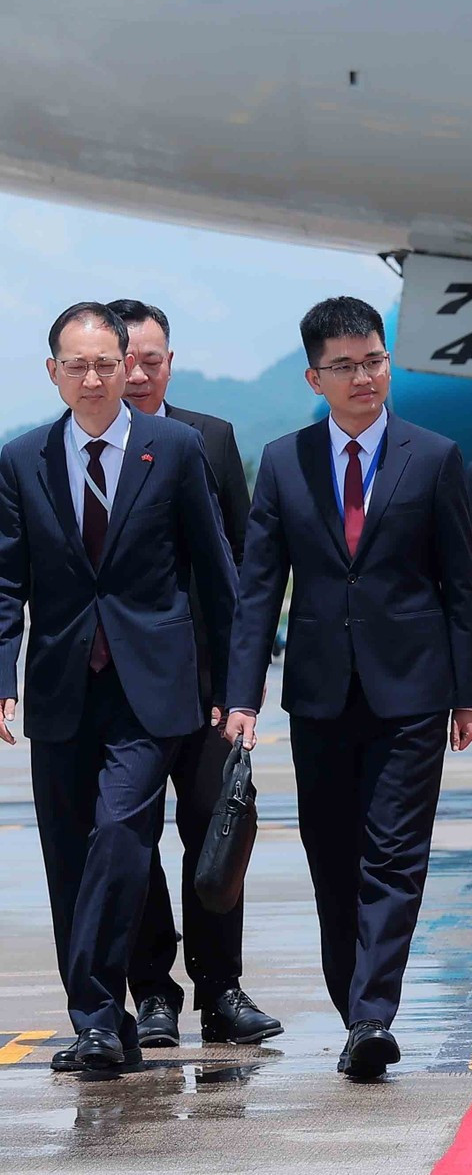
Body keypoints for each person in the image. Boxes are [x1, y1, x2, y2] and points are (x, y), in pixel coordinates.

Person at [224, 296, 472, 1080]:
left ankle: (375, 1012)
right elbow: (260, 587)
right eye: (345, 366)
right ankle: (355, 1009)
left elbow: (462, 585)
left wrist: (468, 691)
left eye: (374, 359)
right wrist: (243, 695)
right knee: (331, 856)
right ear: (316, 376)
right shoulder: (283, 460)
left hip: (413, 690)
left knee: (395, 857)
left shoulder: (433, 456)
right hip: (319, 693)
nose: (365, 376)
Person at [0, 302, 237, 1074]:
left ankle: (99, 1009)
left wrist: (237, 689)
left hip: (151, 686)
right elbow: (6, 583)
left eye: (109, 362)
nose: (97, 377)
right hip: (64, 685)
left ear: (126, 362)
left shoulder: (172, 449)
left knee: (118, 837)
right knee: (69, 854)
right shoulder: (22, 458)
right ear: (54, 373)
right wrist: (1, 675)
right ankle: (105, 1024)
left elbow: (215, 572)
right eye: (80, 365)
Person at [104, 298, 281, 1049]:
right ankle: (152, 992)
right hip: (125, 689)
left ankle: (221, 988)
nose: (139, 374)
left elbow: (242, 569)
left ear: (170, 361)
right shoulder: (92, 446)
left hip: (207, 688)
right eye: (127, 360)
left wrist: (240, 688)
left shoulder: (210, 438)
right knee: (131, 839)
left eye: (153, 358)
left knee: (218, 830)